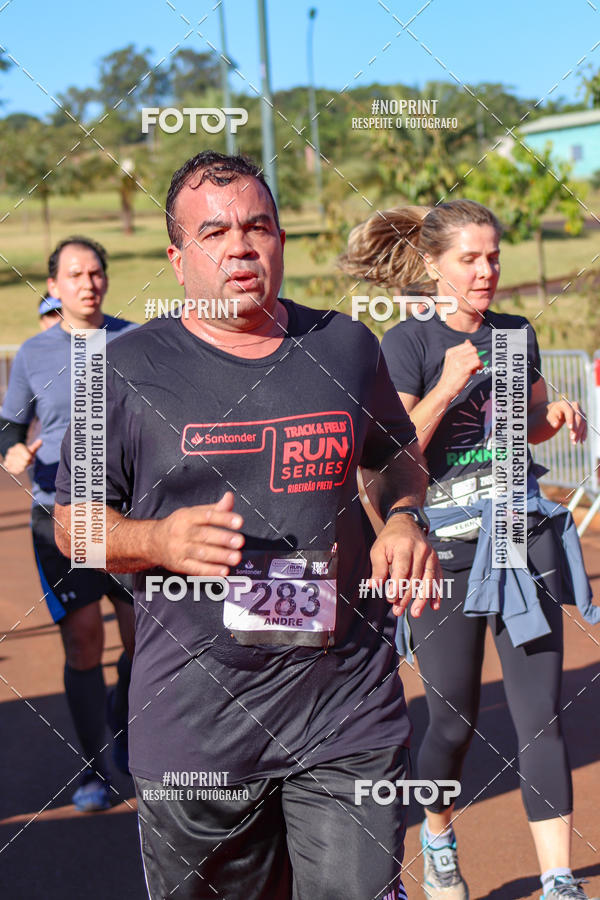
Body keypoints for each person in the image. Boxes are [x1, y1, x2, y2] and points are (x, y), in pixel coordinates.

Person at [54, 150, 442, 900]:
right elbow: (76, 529)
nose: (240, 245)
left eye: (257, 226)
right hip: (199, 726)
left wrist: (401, 515)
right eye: (214, 233)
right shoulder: (117, 372)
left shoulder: (345, 346)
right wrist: (157, 541)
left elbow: (393, 454)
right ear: (177, 258)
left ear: (280, 241)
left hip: (346, 708)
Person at [339, 199, 600, 900]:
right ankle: (438, 835)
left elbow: (528, 424)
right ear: (434, 265)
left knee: (541, 714)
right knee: (452, 719)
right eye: (469, 259)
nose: (486, 271)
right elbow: (386, 455)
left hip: (521, 537)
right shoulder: (409, 344)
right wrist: (448, 386)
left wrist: (555, 415)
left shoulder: (516, 333)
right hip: (446, 552)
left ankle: (556, 878)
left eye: (493, 258)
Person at [0, 237, 137, 812]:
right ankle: (94, 768)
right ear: (53, 286)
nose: (89, 282)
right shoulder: (33, 354)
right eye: (75, 274)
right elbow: (10, 424)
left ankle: (127, 728)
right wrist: (12, 453)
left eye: (97, 272)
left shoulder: (139, 340)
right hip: (59, 518)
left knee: (143, 643)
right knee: (84, 644)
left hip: (133, 519)